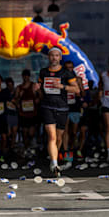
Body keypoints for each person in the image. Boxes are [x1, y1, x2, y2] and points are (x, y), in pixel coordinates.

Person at [38, 47, 79, 177]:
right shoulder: (43, 72)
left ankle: (54, 155)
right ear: (48, 57)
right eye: (52, 55)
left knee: (59, 137)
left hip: (62, 108)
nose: (54, 58)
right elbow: (40, 88)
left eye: (57, 55)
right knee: (51, 136)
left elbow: (77, 90)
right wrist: (37, 88)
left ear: (60, 58)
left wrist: (62, 86)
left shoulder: (66, 73)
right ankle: (54, 163)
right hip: (47, 107)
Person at [63, 61, 84, 167]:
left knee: (74, 132)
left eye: (71, 68)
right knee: (65, 130)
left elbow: (83, 94)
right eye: (67, 68)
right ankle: (67, 152)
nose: (69, 70)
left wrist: (79, 87)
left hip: (75, 108)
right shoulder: (62, 80)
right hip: (65, 107)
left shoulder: (77, 79)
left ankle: (72, 148)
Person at [16, 70, 39, 152]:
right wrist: (19, 97)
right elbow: (15, 100)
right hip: (23, 114)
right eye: (24, 76)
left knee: (31, 133)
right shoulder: (19, 87)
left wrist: (38, 99)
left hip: (32, 113)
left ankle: (30, 143)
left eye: (27, 76)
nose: (25, 78)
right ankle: (26, 148)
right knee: (25, 133)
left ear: (29, 76)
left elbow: (41, 95)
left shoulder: (33, 85)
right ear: (22, 77)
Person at [5, 77, 19, 151]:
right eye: (8, 85)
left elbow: (18, 104)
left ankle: (12, 145)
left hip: (15, 115)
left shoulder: (16, 93)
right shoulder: (5, 93)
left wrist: (15, 101)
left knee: (14, 132)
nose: (10, 87)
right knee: (8, 132)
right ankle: (8, 144)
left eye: (11, 85)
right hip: (7, 115)